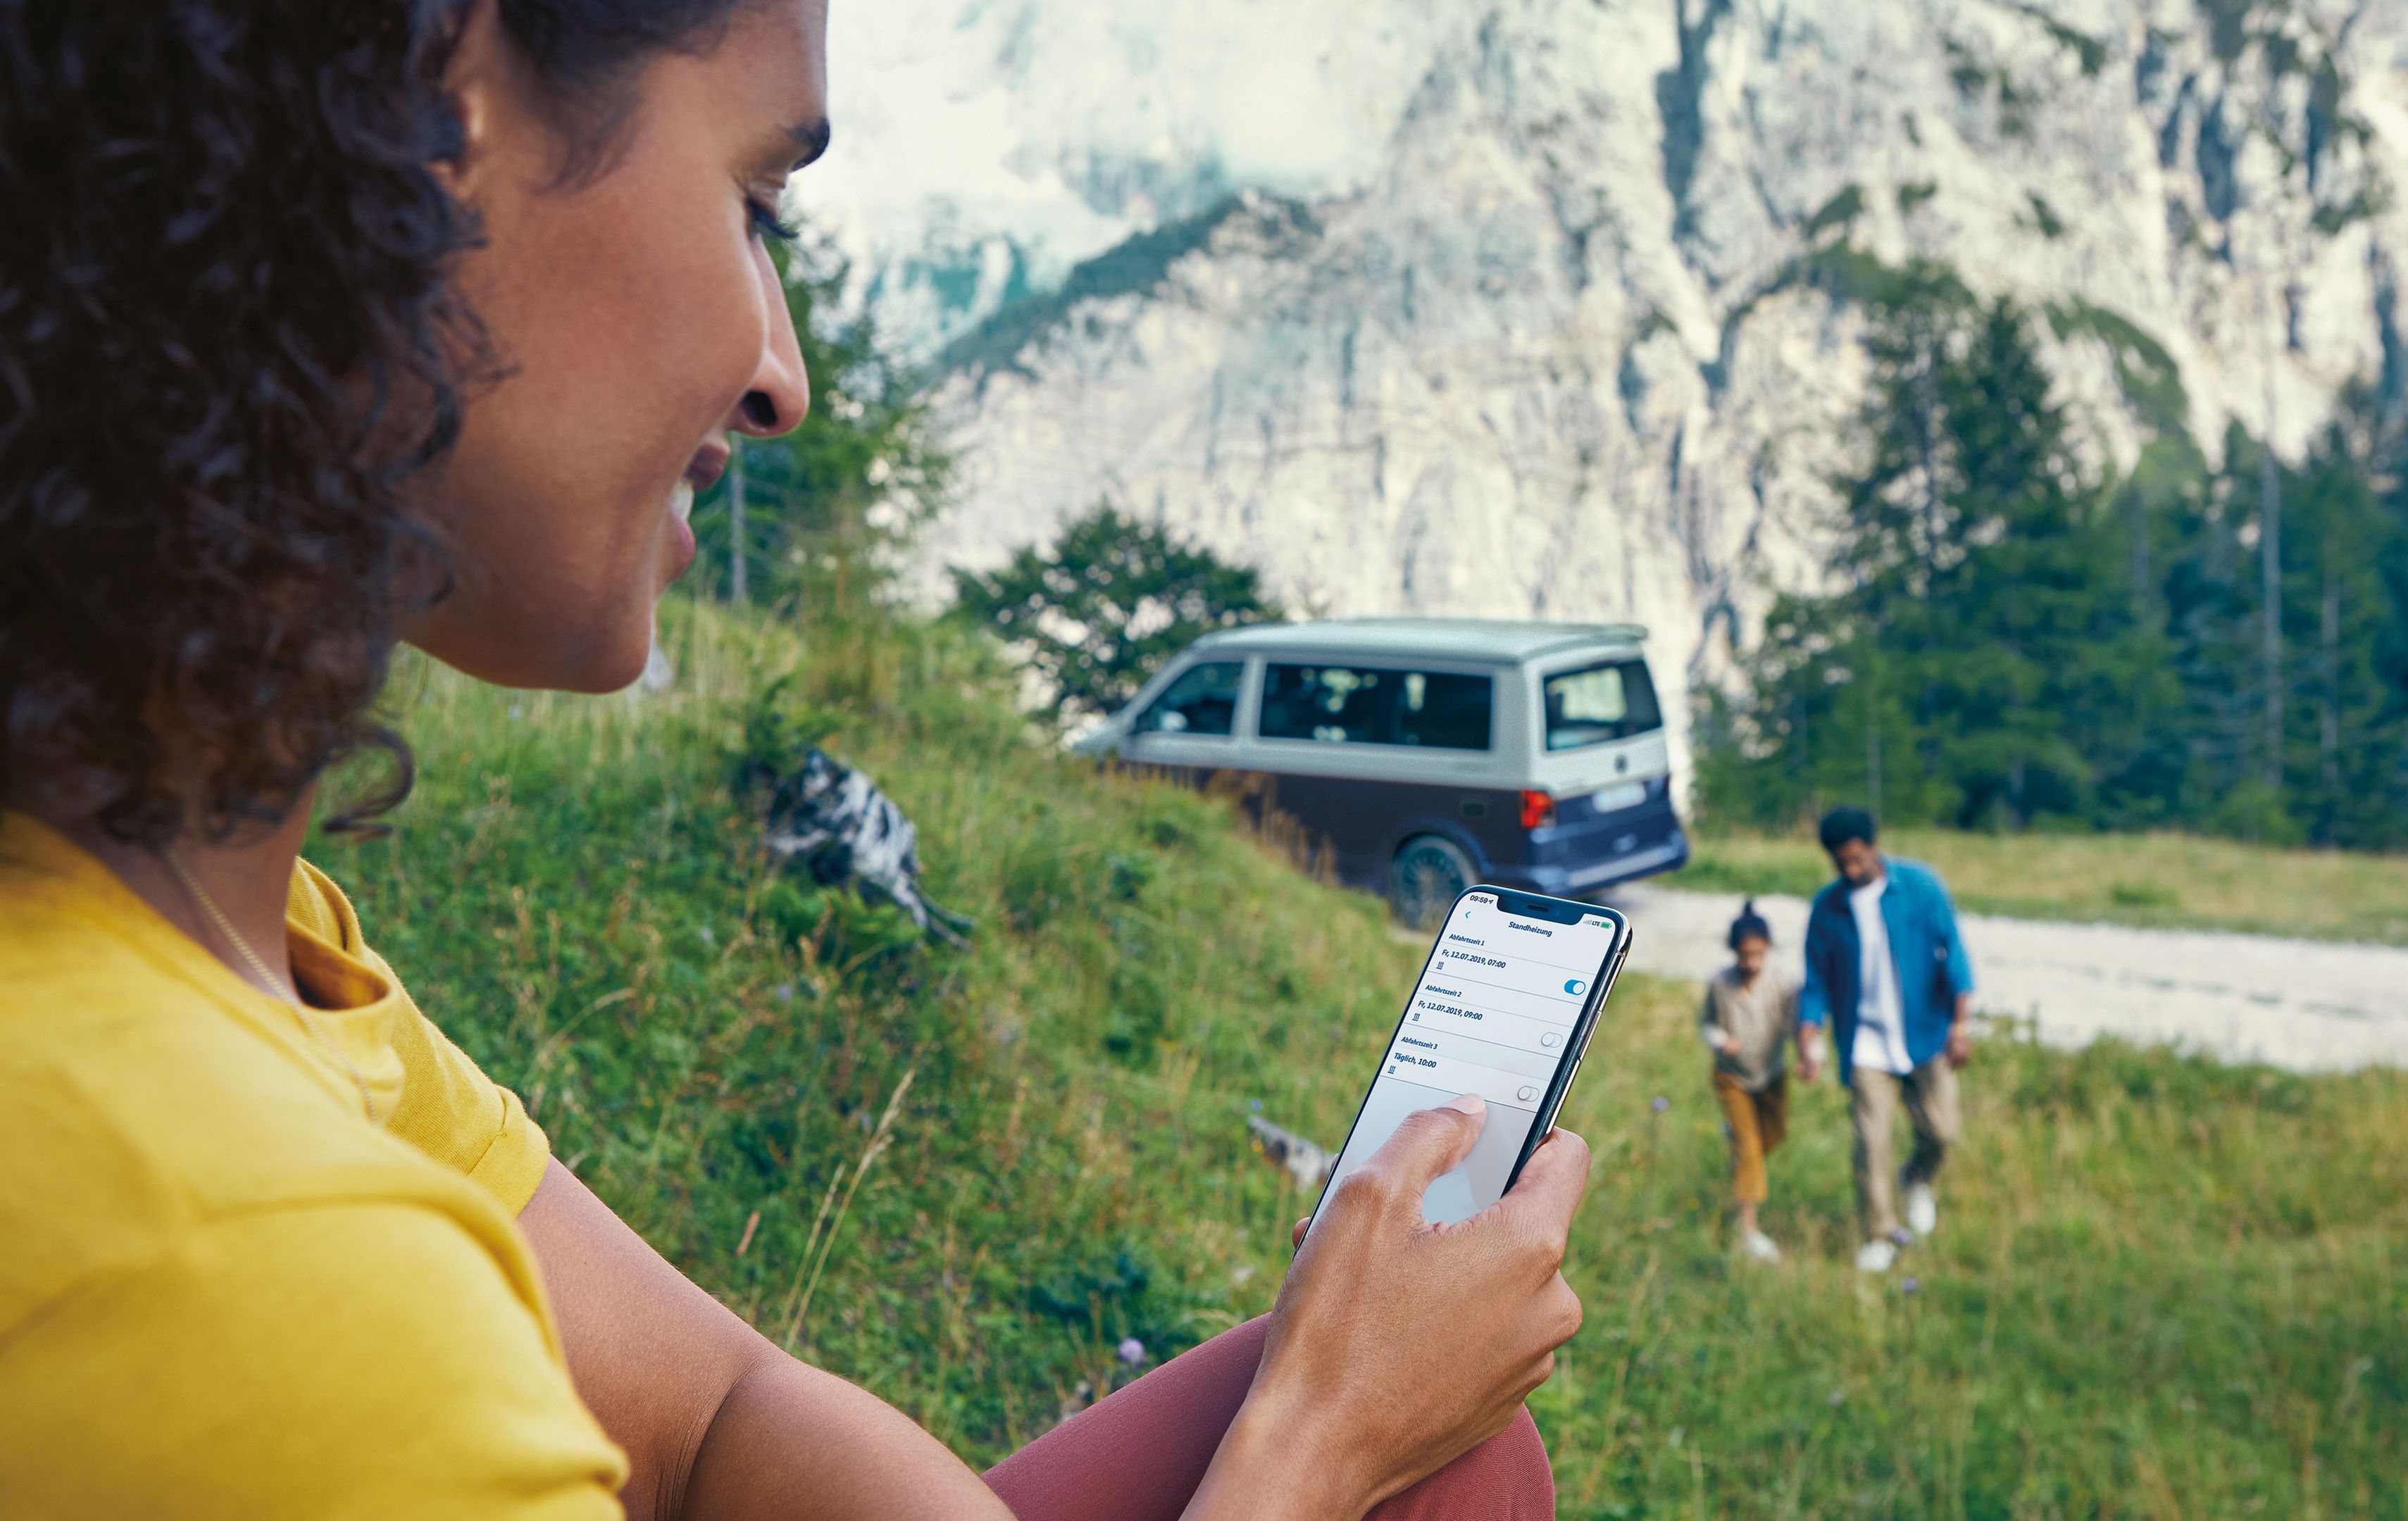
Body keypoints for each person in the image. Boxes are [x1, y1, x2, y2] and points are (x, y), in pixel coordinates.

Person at [0, 3, 1587, 1516]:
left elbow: (711, 1423)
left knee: (1440, 1446)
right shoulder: (249, 1280)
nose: (783, 375)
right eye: (755, 197)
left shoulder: (242, 957)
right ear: (432, 105)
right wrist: (1311, 1448)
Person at [1794, 807, 1977, 1274]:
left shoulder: (1920, 887)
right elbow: (1815, 981)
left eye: (1858, 859)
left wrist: (1960, 1025)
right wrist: (1808, 1038)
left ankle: (1916, 1179)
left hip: (1925, 1034)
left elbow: (1954, 953)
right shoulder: (1827, 908)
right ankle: (1880, 1234)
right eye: (1842, 864)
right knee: (1870, 1143)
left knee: (1943, 1131)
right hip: (1866, 1045)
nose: (1852, 871)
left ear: (1874, 846)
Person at [1699, 899, 1797, 1263]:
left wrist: (1806, 1049)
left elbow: (1796, 1025)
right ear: (1735, 952)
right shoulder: (1720, 985)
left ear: (1768, 951)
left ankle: (1742, 1151)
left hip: (1770, 1075)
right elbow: (1706, 1023)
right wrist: (1721, 1040)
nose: (1752, 963)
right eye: (1745, 955)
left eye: (1758, 955)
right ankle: (1747, 1229)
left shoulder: (1782, 984)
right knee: (1751, 1151)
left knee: (1774, 1134)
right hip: (1732, 1077)